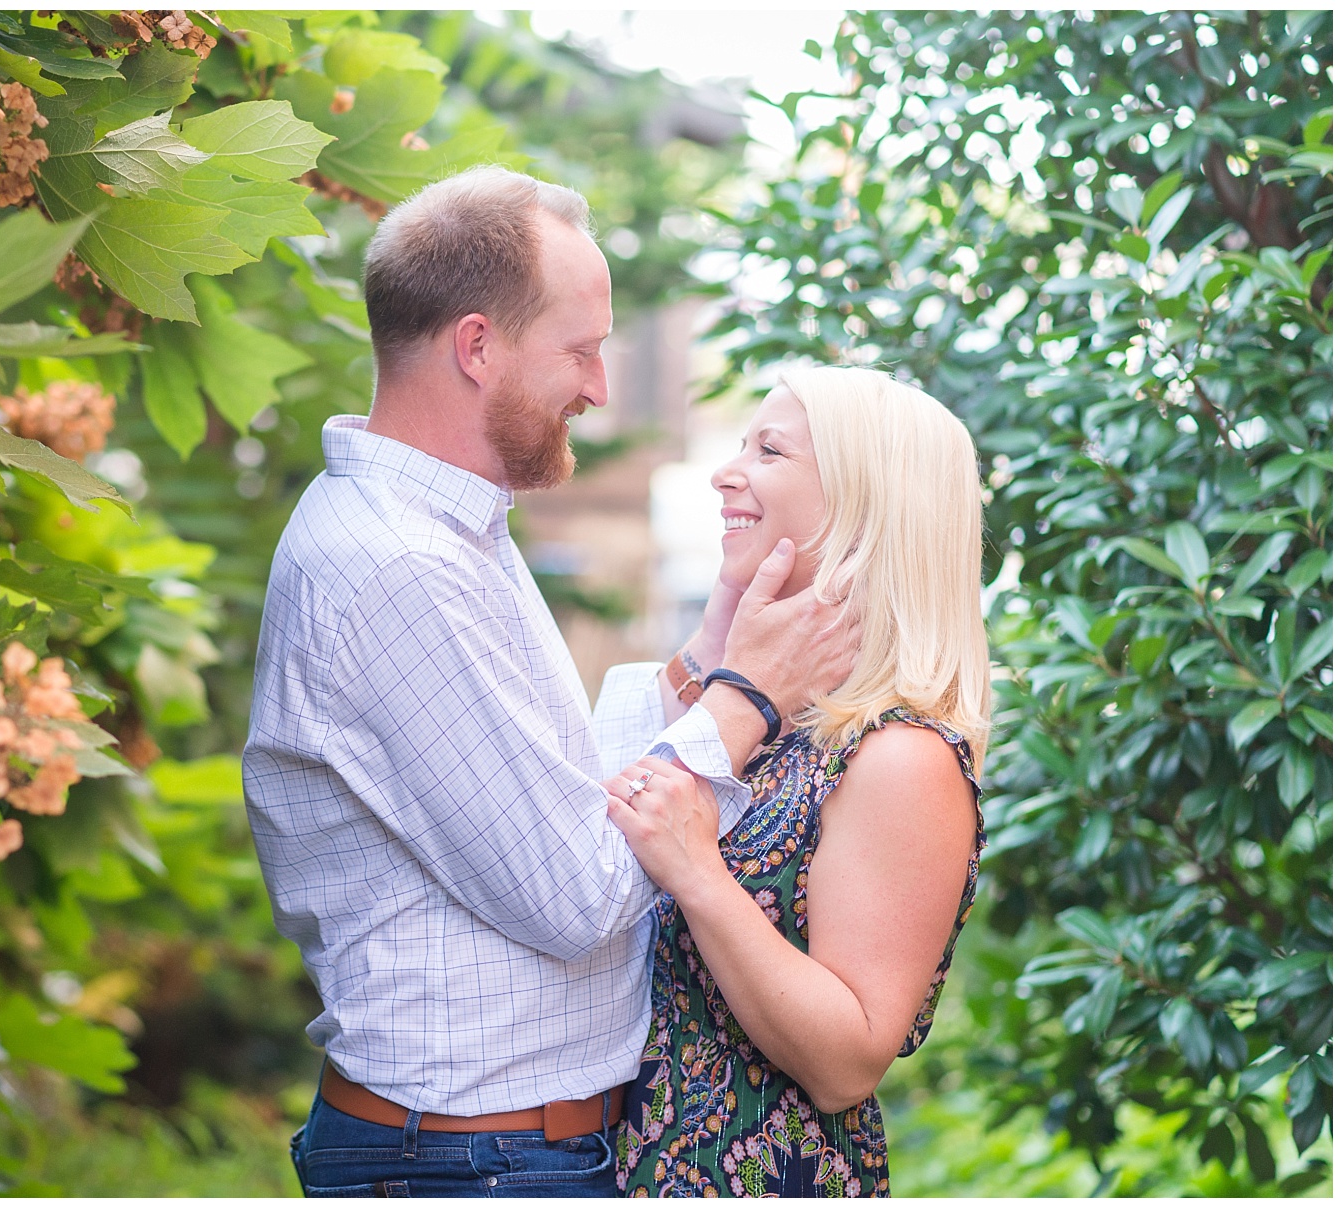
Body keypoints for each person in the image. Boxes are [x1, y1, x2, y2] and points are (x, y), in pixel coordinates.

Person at [242, 166, 859, 1197]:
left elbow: (557, 788)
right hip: (471, 1162)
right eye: (582, 348)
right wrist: (743, 699)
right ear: (477, 346)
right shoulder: (396, 567)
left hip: (495, 1153)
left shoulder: (452, 528)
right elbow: (580, 891)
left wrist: (708, 652)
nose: (601, 386)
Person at [597, 366, 991, 1197]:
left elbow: (850, 1060)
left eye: (768, 451)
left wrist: (699, 875)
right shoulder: (777, 725)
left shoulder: (900, 754)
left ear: (863, 501)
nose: (726, 472)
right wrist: (722, 645)